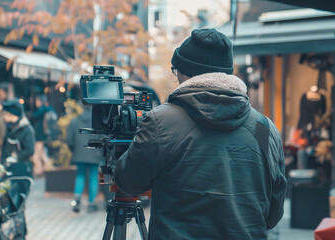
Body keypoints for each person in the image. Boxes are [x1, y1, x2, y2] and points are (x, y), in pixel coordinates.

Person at [114, 29, 287, 239]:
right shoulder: (265, 128)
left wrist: (122, 150)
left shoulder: (161, 122)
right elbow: (274, 210)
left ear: (184, 72)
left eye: (175, 69)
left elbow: (129, 183)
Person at [66, 104, 104, 213]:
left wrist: (74, 150)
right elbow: (103, 137)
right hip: (95, 154)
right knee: (93, 177)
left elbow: (69, 139)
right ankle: (91, 204)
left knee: (80, 175)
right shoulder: (98, 122)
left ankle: (77, 199)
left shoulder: (74, 121)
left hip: (79, 154)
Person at [1, 99, 35, 177]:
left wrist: (16, 157)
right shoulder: (10, 127)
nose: (3, 116)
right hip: (9, 168)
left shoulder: (26, 129)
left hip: (22, 170)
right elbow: (4, 148)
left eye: (5, 113)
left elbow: (30, 150)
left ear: (12, 114)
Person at [31, 94, 56, 176]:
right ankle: (50, 168)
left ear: (39, 102)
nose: (36, 103)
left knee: (35, 155)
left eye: (37, 101)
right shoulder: (48, 109)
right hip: (42, 135)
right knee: (42, 153)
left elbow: (33, 117)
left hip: (39, 136)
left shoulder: (41, 110)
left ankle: (39, 170)